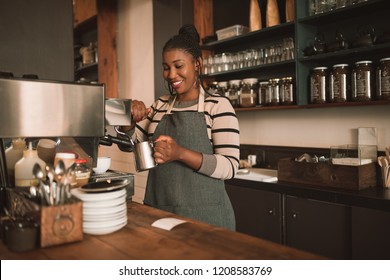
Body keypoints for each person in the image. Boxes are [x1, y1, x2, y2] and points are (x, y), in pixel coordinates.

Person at [120, 24, 240, 230]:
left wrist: (179, 153)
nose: (171, 74)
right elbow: (130, 144)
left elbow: (230, 167)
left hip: (207, 218)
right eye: (166, 67)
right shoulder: (160, 105)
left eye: (178, 66)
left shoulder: (218, 105)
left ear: (197, 64)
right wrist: (129, 122)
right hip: (160, 213)